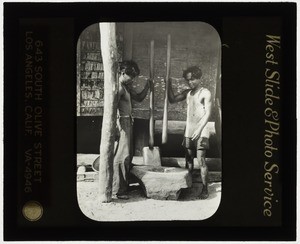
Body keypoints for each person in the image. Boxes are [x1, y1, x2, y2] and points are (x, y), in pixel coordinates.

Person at [167, 66, 212, 199]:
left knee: (201, 160)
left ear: (199, 78)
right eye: (188, 80)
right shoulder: (188, 93)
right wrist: (168, 84)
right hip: (189, 131)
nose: (190, 82)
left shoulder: (205, 93)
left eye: (193, 79)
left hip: (201, 130)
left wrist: (199, 129)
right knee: (189, 159)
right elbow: (172, 99)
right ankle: (188, 186)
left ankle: (205, 189)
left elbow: (208, 114)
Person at [112, 60, 150, 200]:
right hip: (122, 122)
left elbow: (139, 98)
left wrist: (147, 86)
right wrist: (116, 127)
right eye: (131, 76)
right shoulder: (119, 88)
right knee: (122, 156)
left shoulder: (126, 86)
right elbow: (112, 109)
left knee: (128, 154)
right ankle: (119, 190)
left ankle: (124, 186)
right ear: (123, 73)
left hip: (128, 121)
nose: (133, 79)